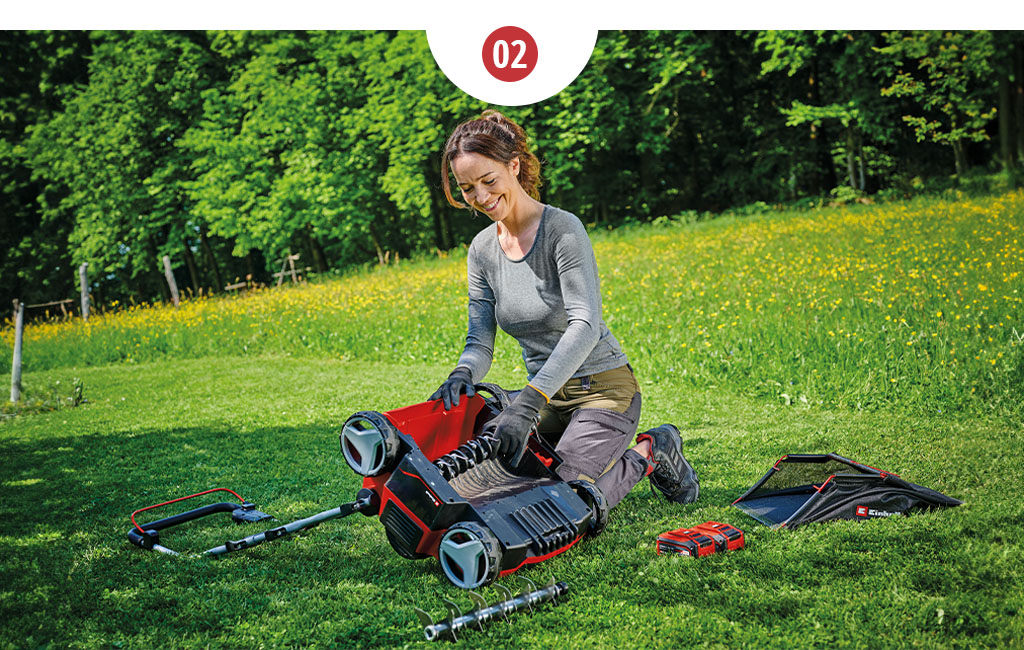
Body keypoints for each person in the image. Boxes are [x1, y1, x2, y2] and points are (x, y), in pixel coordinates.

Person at [430, 109, 698, 509]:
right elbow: (480, 339)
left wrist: (530, 402)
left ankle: (652, 450)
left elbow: (585, 325)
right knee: (494, 480)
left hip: (602, 391)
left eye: (488, 181)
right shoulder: (482, 250)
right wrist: (463, 372)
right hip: (547, 397)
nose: (481, 197)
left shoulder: (561, 229)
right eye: (468, 188)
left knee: (563, 505)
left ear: (514, 166)